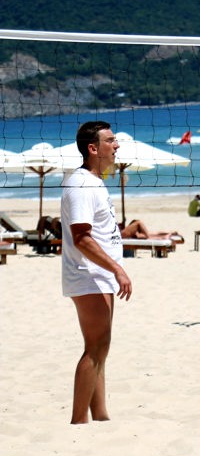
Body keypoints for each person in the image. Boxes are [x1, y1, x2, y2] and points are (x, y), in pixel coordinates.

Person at [60, 120, 132, 424]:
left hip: (97, 275)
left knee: (101, 348)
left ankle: (100, 417)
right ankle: (78, 422)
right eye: (111, 141)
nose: (116, 146)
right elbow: (82, 237)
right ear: (93, 148)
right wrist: (117, 269)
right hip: (89, 274)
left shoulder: (94, 181)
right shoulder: (81, 184)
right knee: (95, 347)